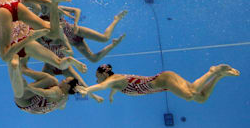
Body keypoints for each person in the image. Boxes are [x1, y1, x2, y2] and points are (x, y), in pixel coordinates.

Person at [76, 64, 240, 103]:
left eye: (97, 76)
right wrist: (111, 96)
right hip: (165, 82)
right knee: (200, 97)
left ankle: (214, 71)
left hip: (163, 80)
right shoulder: (115, 82)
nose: (96, 79)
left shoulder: (113, 80)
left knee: (190, 95)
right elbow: (110, 88)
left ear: (104, 74)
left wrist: (88, 90)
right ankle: (218, 75)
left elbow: (102, 86)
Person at [13, 64, 82, 114]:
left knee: (51, 80)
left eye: (65, 80)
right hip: (30, 108)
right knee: (53, 81)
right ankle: (24, 70)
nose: (62, 80)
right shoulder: (65, 98)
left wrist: (28, 87)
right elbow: (61, 107)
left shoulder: (57, 91)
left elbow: (44, 93)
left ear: (68, 87)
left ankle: (23, 70)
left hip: (23, 100)